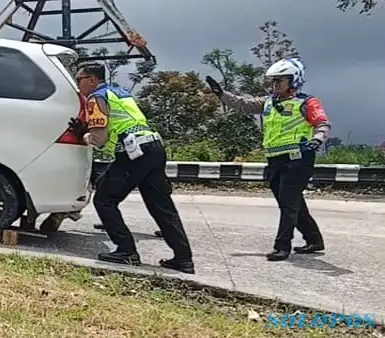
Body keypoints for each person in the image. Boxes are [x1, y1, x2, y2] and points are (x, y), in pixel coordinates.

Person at [68, 64, 195, 273]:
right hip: (153, 147)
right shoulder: (118, 92)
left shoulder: (96, 98)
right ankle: (183, 259)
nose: (77, 84)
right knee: (161, 206)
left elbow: (99, 140)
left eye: (79, 79)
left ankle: (126, 251)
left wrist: (83, 134)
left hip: (133, 152)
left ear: (91, 80)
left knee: (104, 199)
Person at [205, 57, 330, 261]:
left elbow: (322, 124)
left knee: (288, 203)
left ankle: (282, 246)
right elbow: (243, 104)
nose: (275, 85)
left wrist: (317, 140)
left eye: (279, 80)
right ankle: (314, 239)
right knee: (291, 201)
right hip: (275, 159)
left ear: (293, 80)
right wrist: (221, 94)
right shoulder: (268, 102)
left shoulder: (307, 102)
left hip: (299, 158)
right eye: (273, 81)